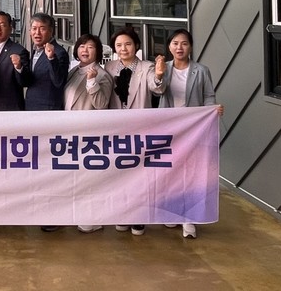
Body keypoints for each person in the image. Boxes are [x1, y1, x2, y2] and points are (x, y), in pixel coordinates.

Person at [159, 28, 225, 240]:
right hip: (169, 129)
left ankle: (189, 218)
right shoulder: (163, 68)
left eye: (184, 43)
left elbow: (208, 96)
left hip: (193, 130)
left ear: (191, 47)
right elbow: (157, 90)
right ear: (169, 46)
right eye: (175, 43)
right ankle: (172, 211)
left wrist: (212, 111)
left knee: (191, 173)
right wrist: (159, 74)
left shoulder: (201, 70)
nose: (179, 47)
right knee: (171, 172)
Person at [104, 27, 166, 236]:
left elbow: (156, 87)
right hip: (116, 130)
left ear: (136, 46)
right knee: (119, 174)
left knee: (139, 175)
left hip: (140, 130)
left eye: (128, 44)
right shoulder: (109, 67)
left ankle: (139, 216)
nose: (123, 49)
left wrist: (159, 75)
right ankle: (122, 214)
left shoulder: (147, 67)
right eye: (119, 45)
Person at [63, 33, 115, 234]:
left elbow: (101, 105)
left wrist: (92, 82)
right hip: (69, 132)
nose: (85, 50)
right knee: (74, 178)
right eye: (82, 46)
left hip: (88, 135)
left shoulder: (102, 75)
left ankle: (92, 218)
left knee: (88, 179)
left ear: (98, 52)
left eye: (90, 47)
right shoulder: (74, 71)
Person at [0, 11, 31, 110]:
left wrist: (19, 67)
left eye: (2, 25)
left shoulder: (19, 51)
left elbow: (25, 82)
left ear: (10, 28)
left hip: (9, 108)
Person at [24, 13, 68, 111]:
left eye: (42, 29)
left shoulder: (59, 52)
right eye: (34, 28)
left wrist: (51, 58)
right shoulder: (36, 50)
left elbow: (59, 82)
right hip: (31, 106)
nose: (37, 33)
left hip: (48, 108)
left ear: (51, 31)